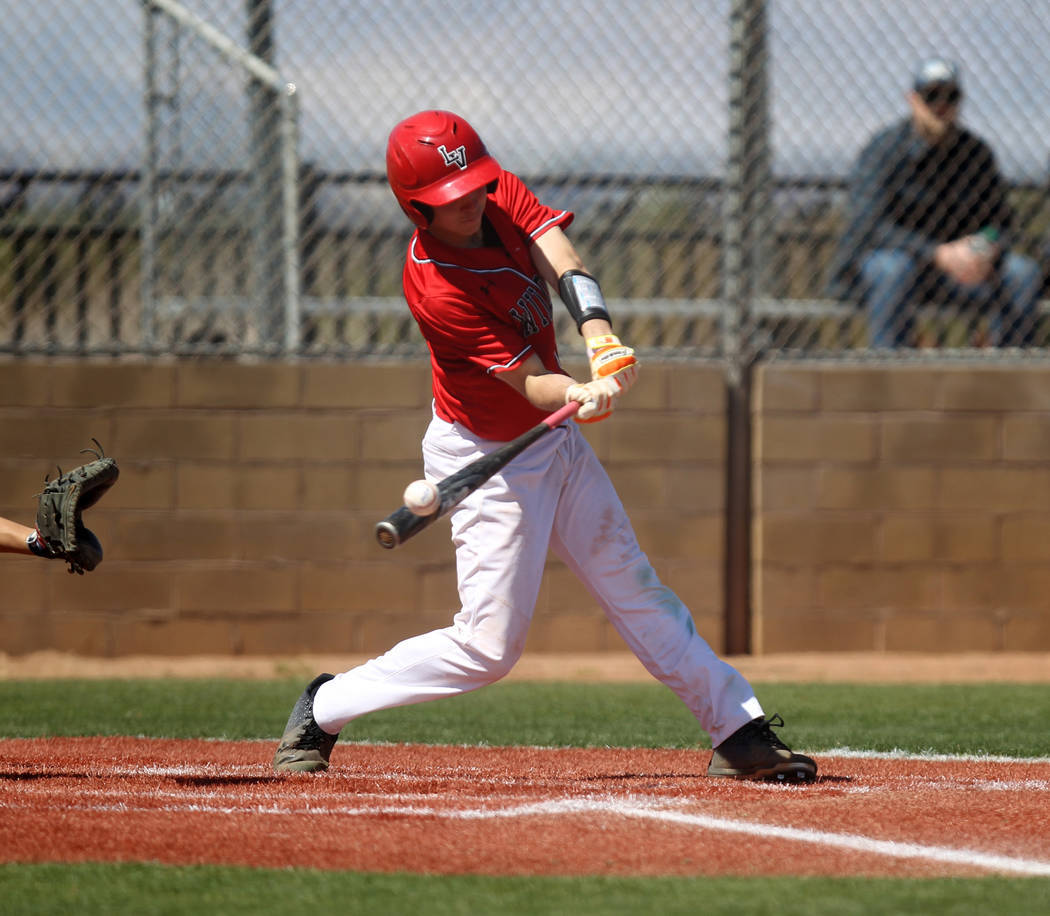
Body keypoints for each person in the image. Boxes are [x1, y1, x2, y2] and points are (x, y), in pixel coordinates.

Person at [273, 110, 817, 783]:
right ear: (417, 208)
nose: (472, 201)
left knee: (633, 584)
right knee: (489, 647)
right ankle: (324, 706)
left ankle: (737, 730)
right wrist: (577, 393)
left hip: (552, 444)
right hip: (484, 456)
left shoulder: (495, 191)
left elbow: (558, 252)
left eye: (475, 184)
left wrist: (599, 335)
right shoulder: (436, 284)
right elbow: (530, 383)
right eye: (452, 199)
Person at [826, 57, 1042, 347]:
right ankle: (892, 376)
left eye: (950, 96)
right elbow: (868, 225)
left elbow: (1000, 224)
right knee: (893, 269)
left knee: (1022, 273)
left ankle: (1009, 377)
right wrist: (937, 254)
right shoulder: (884, 150)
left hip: (959, 275)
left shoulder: (976, 154)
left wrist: (981, 249)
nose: (941, 105)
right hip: (892, 268)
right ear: (913, 100)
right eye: (931, 96)